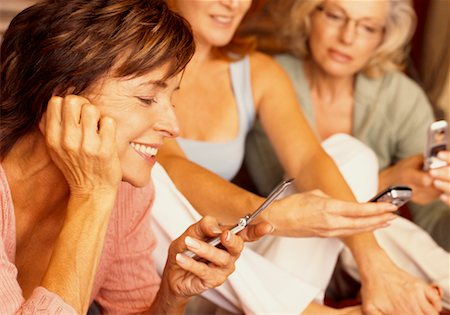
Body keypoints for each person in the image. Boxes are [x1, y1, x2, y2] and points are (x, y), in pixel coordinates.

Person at [155, 0, 444, 314]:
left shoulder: (257, 70)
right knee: (155, 187)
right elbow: (169, 165)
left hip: (241, 250)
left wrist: (374, 262)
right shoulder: (136, 59)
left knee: (354, 156)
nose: (233, 3)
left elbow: (308, 159)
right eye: (335, 16)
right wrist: (274, 214)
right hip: (183, 265)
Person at [0, 1, 269, 313]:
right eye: (146, 98)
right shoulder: (102, 189)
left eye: (172, 98)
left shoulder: (127, 193)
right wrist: (92, 197)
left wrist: (169, 295)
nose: (173, 127)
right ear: (64, 95)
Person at [243, 0, 450, 307]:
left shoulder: (401, 98)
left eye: (367, 27)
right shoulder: (269, 78)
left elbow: (434, 226)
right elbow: (296, 200)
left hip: (360, 256)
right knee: (353, 162)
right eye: (336, 16)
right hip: (282, 242)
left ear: (383, 37)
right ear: (309, 15)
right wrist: (390, 178)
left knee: (383, 227)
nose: (347, 38)